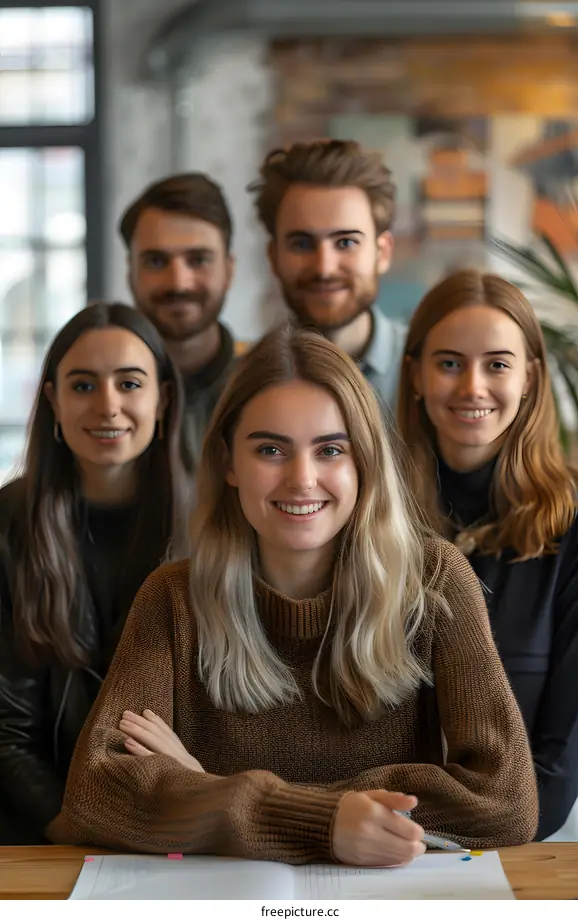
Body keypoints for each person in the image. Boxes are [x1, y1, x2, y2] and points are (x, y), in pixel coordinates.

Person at [52, 323, 537, 862]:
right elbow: (96, 793)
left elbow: (506, 801)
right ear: (229, 463)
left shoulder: (436, 583)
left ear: (365, 463)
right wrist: (323, 820)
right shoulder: (172, 598)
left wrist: (212, 789)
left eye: (330, 449)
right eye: (271, 450)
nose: (303, 479)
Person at [397, 269, 578, 842]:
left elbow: (561, 770)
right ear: (415, 373)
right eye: (450, 363)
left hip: (532, 837)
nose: (473, 387)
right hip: (375, 838)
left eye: (498, 364)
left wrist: (422, 834)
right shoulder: (368, 518)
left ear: (531, 377)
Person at [0, 302, 187, 845]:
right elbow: (6, 734)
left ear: (163, 398)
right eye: (83, 386)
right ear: (53, 400)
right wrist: (73, 831)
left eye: (130, 384)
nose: (108, 406)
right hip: (38, 830)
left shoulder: (213, 528)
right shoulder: (6, 529)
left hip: (176, 823)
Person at [248, 139, 405, 415]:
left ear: (382, 253)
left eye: (345, 242)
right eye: (302, 244)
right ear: (273, 257)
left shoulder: (429, 369)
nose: (324, 268)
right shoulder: (245, 383)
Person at [120, 172, 237, 473]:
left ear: (229, 270)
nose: (178, 283)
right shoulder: (101, 392)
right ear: (130, 273)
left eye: (198, 260)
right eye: (156, 262)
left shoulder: (268, 384)